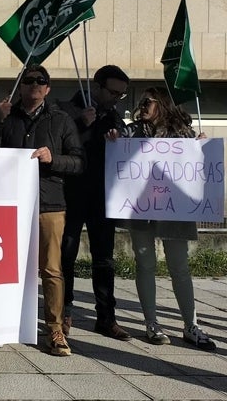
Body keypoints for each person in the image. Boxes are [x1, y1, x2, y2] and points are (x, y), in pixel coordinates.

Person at [108, 87, 216, 351]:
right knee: (145, 263)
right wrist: (113, 138)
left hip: (174, 209)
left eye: (148, 101)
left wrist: (201, 146)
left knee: (179, 266)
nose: (142, 105)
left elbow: (196, 166)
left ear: (162, 104)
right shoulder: (132, 131)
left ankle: (191, 325)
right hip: (142, 208)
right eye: (141, 102)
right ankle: (151, 323)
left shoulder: (183, 133)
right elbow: (119, 148)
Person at [0, 64, 83, 357]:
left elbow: (78, 162)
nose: (34, 85)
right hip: (11, 205)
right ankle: (0, 323)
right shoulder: (6, 117)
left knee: (51, 269)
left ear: (48, 88)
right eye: (28, 81)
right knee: (5, 268)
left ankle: (54, 328)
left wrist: (53, 159)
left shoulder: (61, 120)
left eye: (40, 81)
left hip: (50, 204)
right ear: (20, 86)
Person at [57, 65, 132, 340]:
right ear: (97, 86)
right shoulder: (66, 109)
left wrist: (119, 139)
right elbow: (57, 144)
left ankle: (106, 317)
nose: (116, 98)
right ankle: (63, 312)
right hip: (73, 193)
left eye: (121, 95)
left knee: (104, 259)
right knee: (67, 254)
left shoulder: (114, 116)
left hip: (103, 197)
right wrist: (81, 124)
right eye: (113, 92)